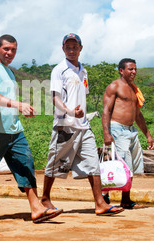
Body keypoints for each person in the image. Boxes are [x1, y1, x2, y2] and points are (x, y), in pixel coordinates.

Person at [0, 34, 63, 223]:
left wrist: (21, 110)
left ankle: (36, 207)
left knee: (26, 164)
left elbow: (7, 102)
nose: (10, 53)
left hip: (14, 129)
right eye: (6, 49)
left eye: (13, 49)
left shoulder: (10, 72)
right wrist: (18, 105)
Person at [40, 34, 124, 216]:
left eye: (75, 47)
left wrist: (80, 115)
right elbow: (55, 98)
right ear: (63, 49)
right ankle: (45, 198)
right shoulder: (59, 70)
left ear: (81, 48)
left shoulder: (83, 71)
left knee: (93, 163)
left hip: (84, 126)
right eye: (68, 47)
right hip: (65, 126)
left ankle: (100, 203)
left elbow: (81, 94)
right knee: (55, 162)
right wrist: (70, 112)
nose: (71, 50)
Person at [102, 58, 154, 209]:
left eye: (135, 69)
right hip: (117, 129)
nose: (134, 72)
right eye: (130, 69)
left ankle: (125, 199)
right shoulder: (114, 86)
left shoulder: (134, 89)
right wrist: (107, 133)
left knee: (131, 166)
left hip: (131, 130)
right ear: (121, 70)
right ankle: (105, 195)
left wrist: (148, 135)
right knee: (120, 165)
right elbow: (106, 111)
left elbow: (138, 115)